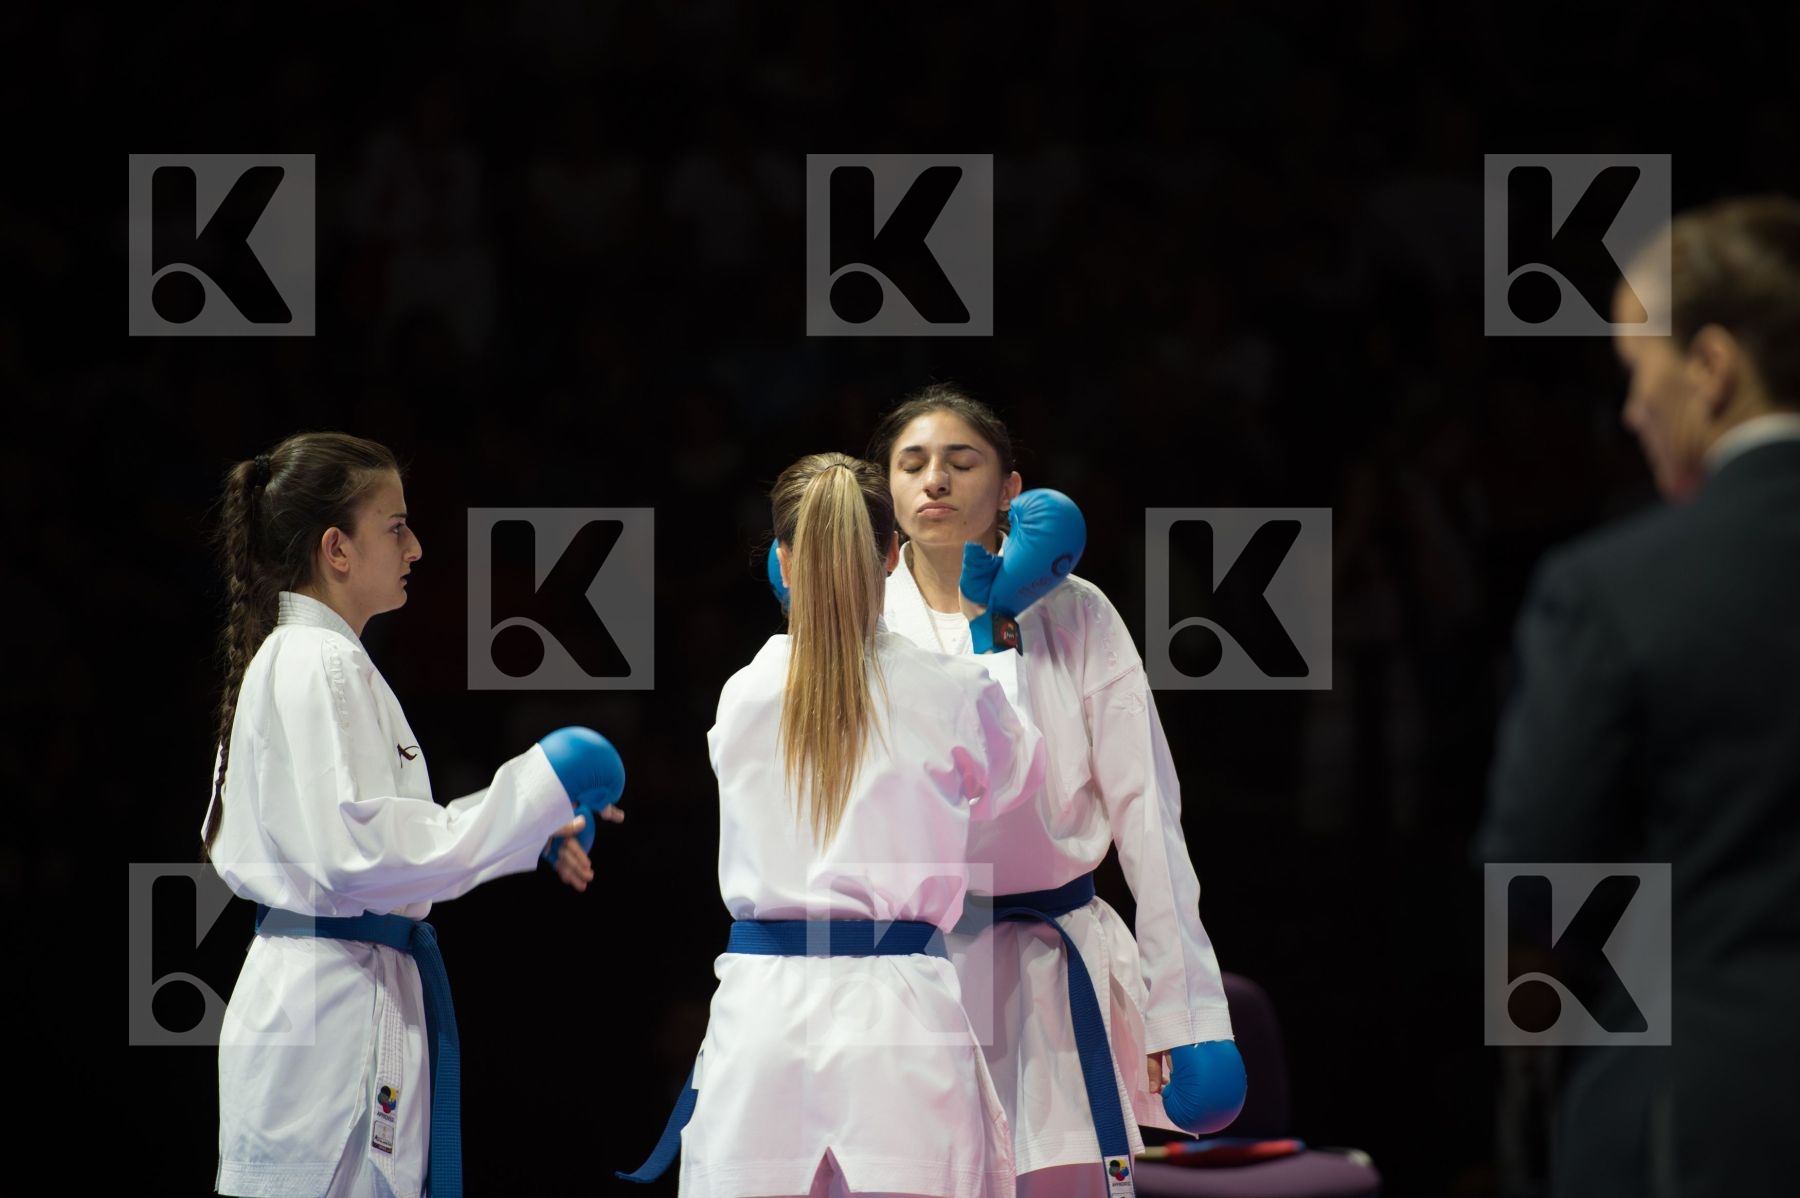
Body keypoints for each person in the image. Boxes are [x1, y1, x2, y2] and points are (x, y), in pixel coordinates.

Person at [202, 432, 626, 1198]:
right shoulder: (318, 660)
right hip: (331, 1012)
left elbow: (383, 840)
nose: (417, 547)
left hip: (330, 995)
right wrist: (541, 786)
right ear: (337, 547)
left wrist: (528, 835)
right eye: (395, 527)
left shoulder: (313, 656)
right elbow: (365, 858)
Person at [1477, 195, 1800, 1197]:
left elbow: (1536, 875)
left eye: (1637, 372)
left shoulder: (1610, 588)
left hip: (1707, 1111)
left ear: (1711, 367)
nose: (1629, 412)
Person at [868, 387, 1245, 1198]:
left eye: (960, 462)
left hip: (1053, 971)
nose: (934, 480)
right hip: (914, 977)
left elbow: (1149, 812)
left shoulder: (1079, 613)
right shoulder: (864, 629)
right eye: (912, 464)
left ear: (1011, 490)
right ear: (887, 491)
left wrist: (1186, 1011)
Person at [656, 452, 1059, 1198]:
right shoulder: (952, 691)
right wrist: (989, 633)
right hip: (899, 1021)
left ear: (782, 562)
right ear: (892, 558)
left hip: (762, 1020)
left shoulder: (741, 694)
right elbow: (1020, 785)